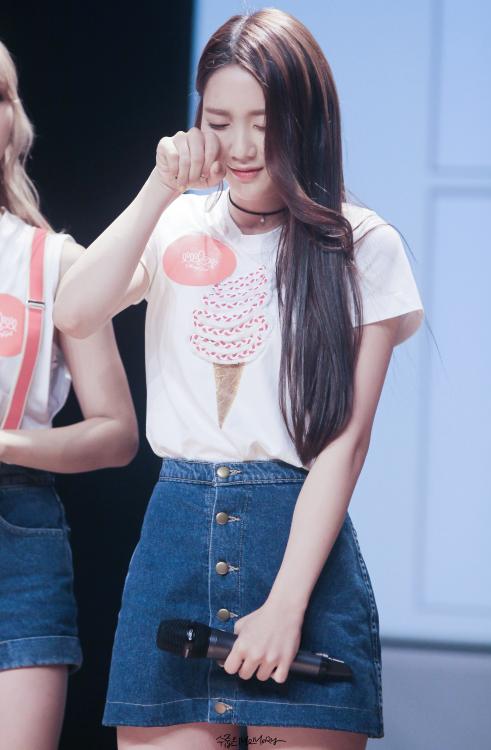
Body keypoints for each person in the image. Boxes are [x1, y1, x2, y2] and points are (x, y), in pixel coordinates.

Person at [54, 8, 424, 750]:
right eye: (220, 122)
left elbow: (346, 445)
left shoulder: (363, 244)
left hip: (300, 556)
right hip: (174, 544)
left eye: (266, 121)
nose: (243, 146)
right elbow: (74, 310)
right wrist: (160, 187)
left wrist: (287, 605)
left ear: (308, 120)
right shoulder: (176, 223)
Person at [0, 40, 139, 750]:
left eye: (0, 96)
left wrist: (5, 443)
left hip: (17, 529)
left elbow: (116, 432)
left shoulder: (52, 260)